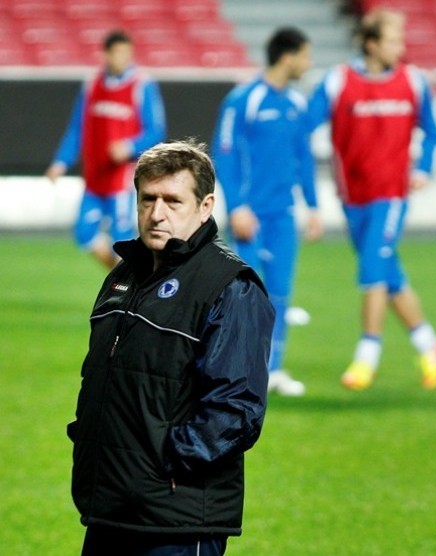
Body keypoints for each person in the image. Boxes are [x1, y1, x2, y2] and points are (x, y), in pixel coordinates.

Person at [67, 140, 274, 555]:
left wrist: (163, 464)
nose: (156, 213)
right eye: (148, 199)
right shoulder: (123, 277)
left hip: (175, 522)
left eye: (172, 201)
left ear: (205, 206)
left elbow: (236, 410)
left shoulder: (231, 286)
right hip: (109, 507)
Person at [305, 8, 436, 391]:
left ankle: (367, 355)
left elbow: (434, 133)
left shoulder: (414, 83)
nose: (399, 48)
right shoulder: (338, 82)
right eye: (392, 41)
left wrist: (424, 168)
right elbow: (304, 124)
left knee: (371, 271)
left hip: (392, 195)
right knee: (389, 274)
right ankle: (430, 346)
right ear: (370, 43)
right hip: (353, 196)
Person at [212, 27, 321, 397]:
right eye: (305, 56)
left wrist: (314, 205)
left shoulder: (296, 104)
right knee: (245, 296)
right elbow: (224, 153)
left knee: (279, 294)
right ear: (287, 57)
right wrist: (237, 206)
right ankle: (236, 372)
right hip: (250, 216)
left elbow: (304, 158)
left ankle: (273, 371)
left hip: (283, 216)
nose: (308, 64)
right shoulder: (244, 100)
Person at [46, 29, 166, 269]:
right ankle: (127, 278)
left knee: (122, 238)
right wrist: (61, 161)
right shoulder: (92, 85)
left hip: (121, 179)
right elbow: (77, 127)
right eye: (118, 53)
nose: (123, 58)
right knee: (84, 232)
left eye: (127, 53)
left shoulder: (141, 85)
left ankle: (129, 286)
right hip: (94, 176)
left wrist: (129, 146)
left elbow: (156, 130)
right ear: (107, 54)